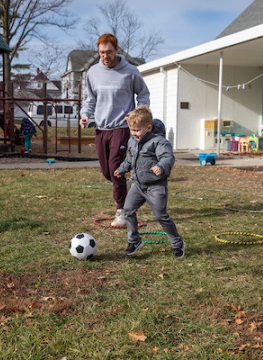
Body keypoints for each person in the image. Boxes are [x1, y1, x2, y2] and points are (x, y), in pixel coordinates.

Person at [80, 33, 150, 227]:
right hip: (101, 128)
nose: (105, 56)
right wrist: (85, 114)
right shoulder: (93, 72)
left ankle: (122, 211)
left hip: (121, 127)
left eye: (109, 52)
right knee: (106, 172)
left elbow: (143, 94)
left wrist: (137, 115)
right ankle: (124, 187)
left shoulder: (130, 71)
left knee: (115, 168)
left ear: (117, 50)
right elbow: (90, 99)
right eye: (102, 53)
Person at [114, 106, 186, 259]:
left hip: (156, 187)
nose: (134, 133)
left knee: (161, 216)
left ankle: (177, 243)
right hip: (139, 185)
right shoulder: (132, 141)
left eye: (137, 130)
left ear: (148, 127)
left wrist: (161, 166)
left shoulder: (158, 142)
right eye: (132, 130)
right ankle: (134, 240)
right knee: (127, 211)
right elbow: (130, 158)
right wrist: (121, 169)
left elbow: (168, 157)